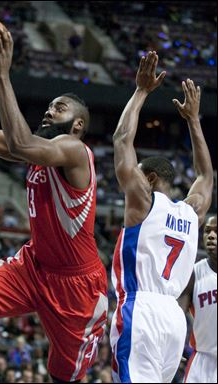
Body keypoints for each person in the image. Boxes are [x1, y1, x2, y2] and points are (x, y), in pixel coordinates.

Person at [0, 29, 108, 384]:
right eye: (49, 106)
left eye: (59, 108)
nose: (50, 111)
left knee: (61, 378)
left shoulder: (73, 149)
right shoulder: (39, 149)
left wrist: (3, 75)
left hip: (77, 284)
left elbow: (19, 143)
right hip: (34, 266)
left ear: (78, 124)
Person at [110, 51, 213, 383]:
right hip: (173, 321)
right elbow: (206, 176)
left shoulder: (143, 200)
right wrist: (194, 121)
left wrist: (141, 91)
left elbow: (122, 140)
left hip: (141, 310)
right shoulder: (192, 212)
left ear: (149, 179)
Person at [178, 215, 217, 383]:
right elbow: (177, 315)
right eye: (207, 231)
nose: (211, 235)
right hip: (202, 361)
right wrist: (173, 345)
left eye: (216, 231)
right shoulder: (193, 273)